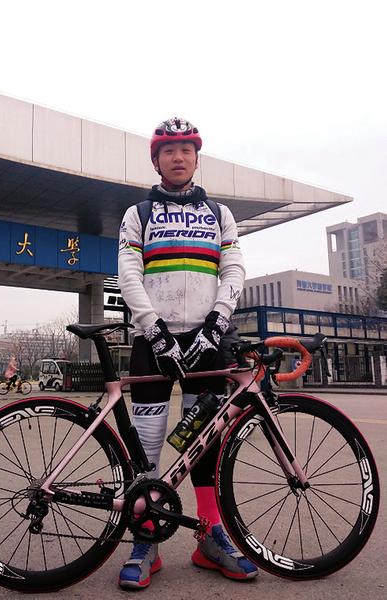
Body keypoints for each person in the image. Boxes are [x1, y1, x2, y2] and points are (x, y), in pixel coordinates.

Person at [117, 117, 257, 589]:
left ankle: (210, 537)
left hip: (206, 342)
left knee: (203, 443)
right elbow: (129, 274)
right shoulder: (138, 213)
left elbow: (233, 269)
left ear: (196, 159)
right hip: (152, 342)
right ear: (156, 161)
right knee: (149, 446)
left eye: (186, 150)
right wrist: (154, 331)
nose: (178, 157)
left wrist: (216, 323)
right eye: (168, 150)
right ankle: (147, 538)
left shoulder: (220, 213)